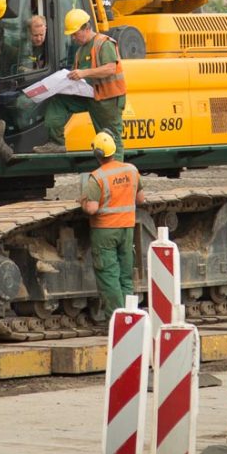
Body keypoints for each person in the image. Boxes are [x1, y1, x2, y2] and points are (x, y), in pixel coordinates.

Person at [34, 7, 125, 153]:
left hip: (108, 100)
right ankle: (56, 143)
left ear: (86, 28)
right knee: (58, 101)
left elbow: (110, 69)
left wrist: (83, 73)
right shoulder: (80, 51)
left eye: (75, 34)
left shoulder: (104, 43)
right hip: (89, 96)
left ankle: (116, 174)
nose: (73, 38)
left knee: (111, 140)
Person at [79, 130, 147, 317]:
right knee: (126, 275)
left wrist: (83, 201)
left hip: (105, 231)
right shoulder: (132, 170)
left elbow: (92, 208)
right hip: (127, 229)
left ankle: (117, 321)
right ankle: (129, 316)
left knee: (109, 277)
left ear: (97, 154)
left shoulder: (97, 177)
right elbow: (140, 199)